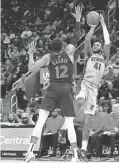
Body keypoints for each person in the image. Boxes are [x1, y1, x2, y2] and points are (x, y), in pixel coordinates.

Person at [25, 6, 83, 163]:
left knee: (41, 120)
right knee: (70, 123)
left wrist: (30, 54)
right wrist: (77, 20)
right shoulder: (70, 53)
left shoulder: (48, 57)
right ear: (63, 47)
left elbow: (31, 68)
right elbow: (77, 36)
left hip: (53, 88)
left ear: (51, 47)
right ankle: (75, 156)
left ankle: (29, 152)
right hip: (66, 88)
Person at [74, 13, 110, 158]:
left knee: (88, 121)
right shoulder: (89, 54)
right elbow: (87, 39)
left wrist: (104, 25)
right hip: (84, 84)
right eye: (95, 44)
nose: (96, 45)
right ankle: (69, 117)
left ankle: (83, 148)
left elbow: (108, 42)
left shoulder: (104, 57)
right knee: (80, 100)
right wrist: (93, 27)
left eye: (98, 45)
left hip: (94, 89)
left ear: (100, 49)